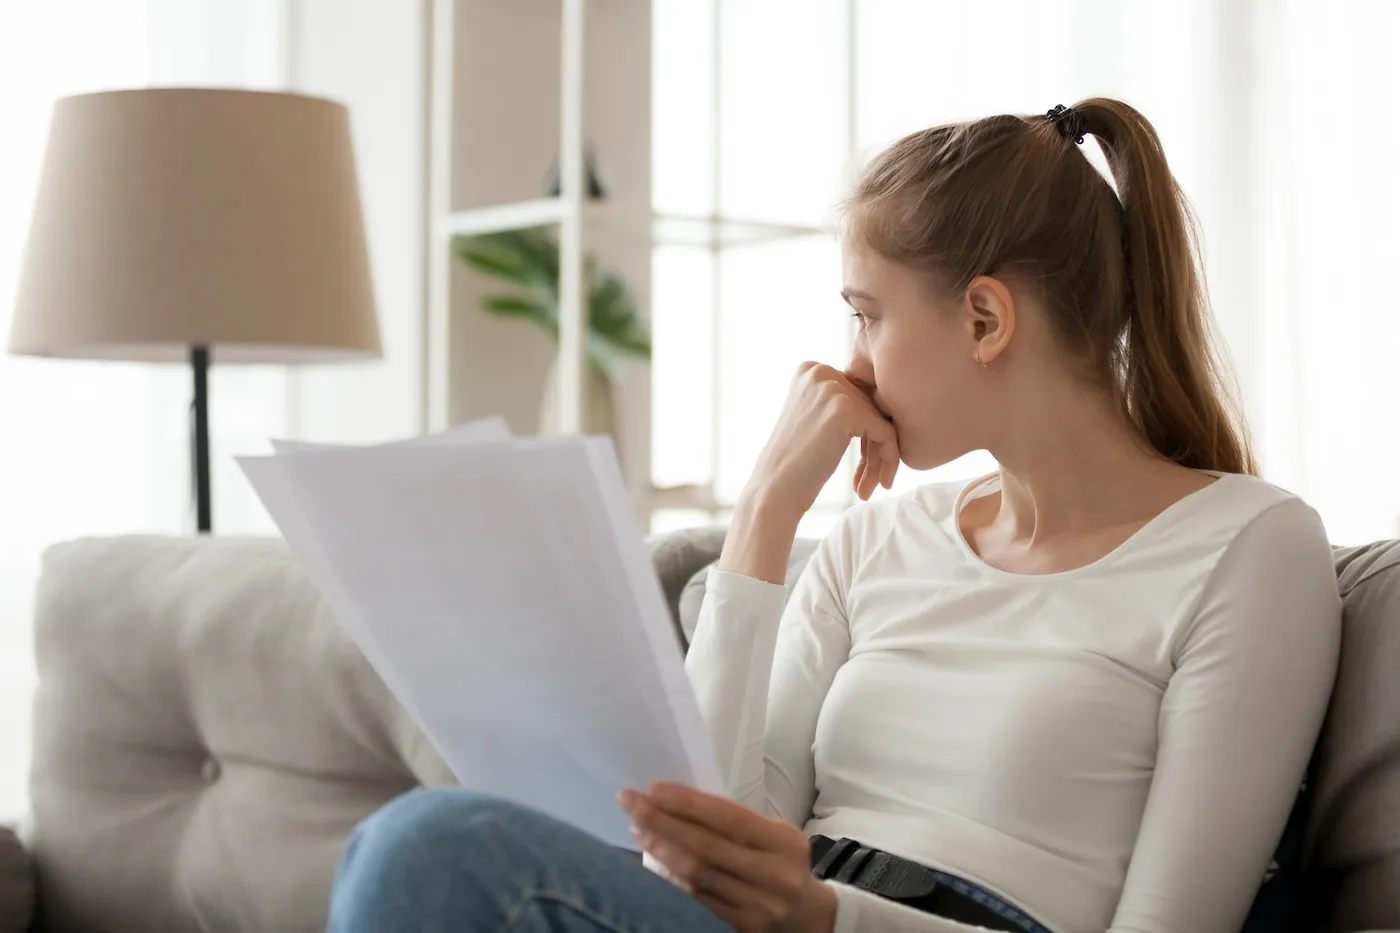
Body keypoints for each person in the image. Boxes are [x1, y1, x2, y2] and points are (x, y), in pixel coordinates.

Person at [326, 99, 1341, 933]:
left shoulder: (1247, 549)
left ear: (983, 319)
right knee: (407, 840)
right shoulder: (872, 541)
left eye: (866, 313)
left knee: (431, 849)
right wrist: (765, 510)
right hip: (781, 912)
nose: (847, 363)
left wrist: (828, 918)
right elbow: (695, 841)